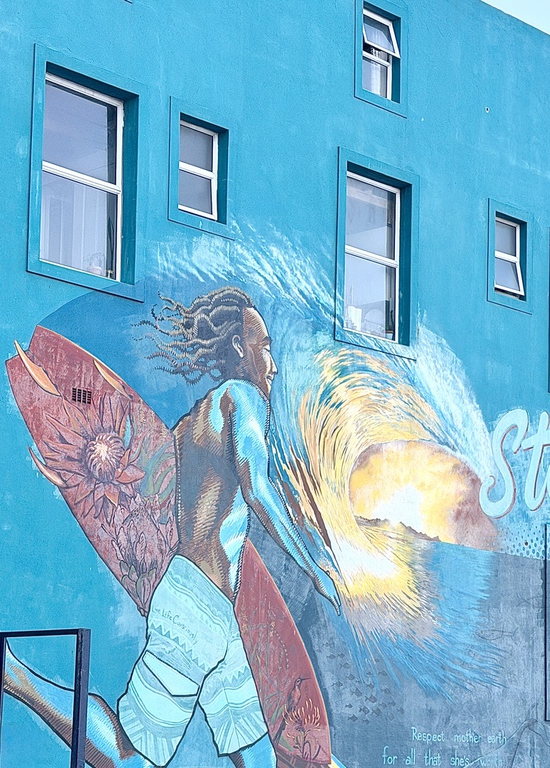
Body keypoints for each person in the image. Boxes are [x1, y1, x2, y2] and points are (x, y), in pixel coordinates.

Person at [116, 287, 341, 767]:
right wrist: (313, 568)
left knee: (255, 751)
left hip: (213, 610)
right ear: (240, 347)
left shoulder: (190, 423)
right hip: (195, 610)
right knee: (124, 749)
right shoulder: (243, 398)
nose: (273, 366)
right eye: (266, 348)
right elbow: (258, 489)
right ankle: (11, 673)